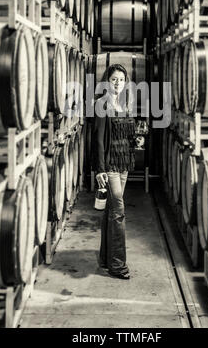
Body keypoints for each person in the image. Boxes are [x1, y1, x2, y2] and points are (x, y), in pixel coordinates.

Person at [92, 64, 136, 280]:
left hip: (124, 163)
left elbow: (128, 134)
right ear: (106, 81)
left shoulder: (126, 104)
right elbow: (98, 140)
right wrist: (99, 169)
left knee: (111, 210)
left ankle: (105, 258)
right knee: (118, 212)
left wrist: (136, 139)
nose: (117, 83)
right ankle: (118, 265)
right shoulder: (101, 104)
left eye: (121, 79)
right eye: (114, 79)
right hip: (110, 166)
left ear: (125, 82)